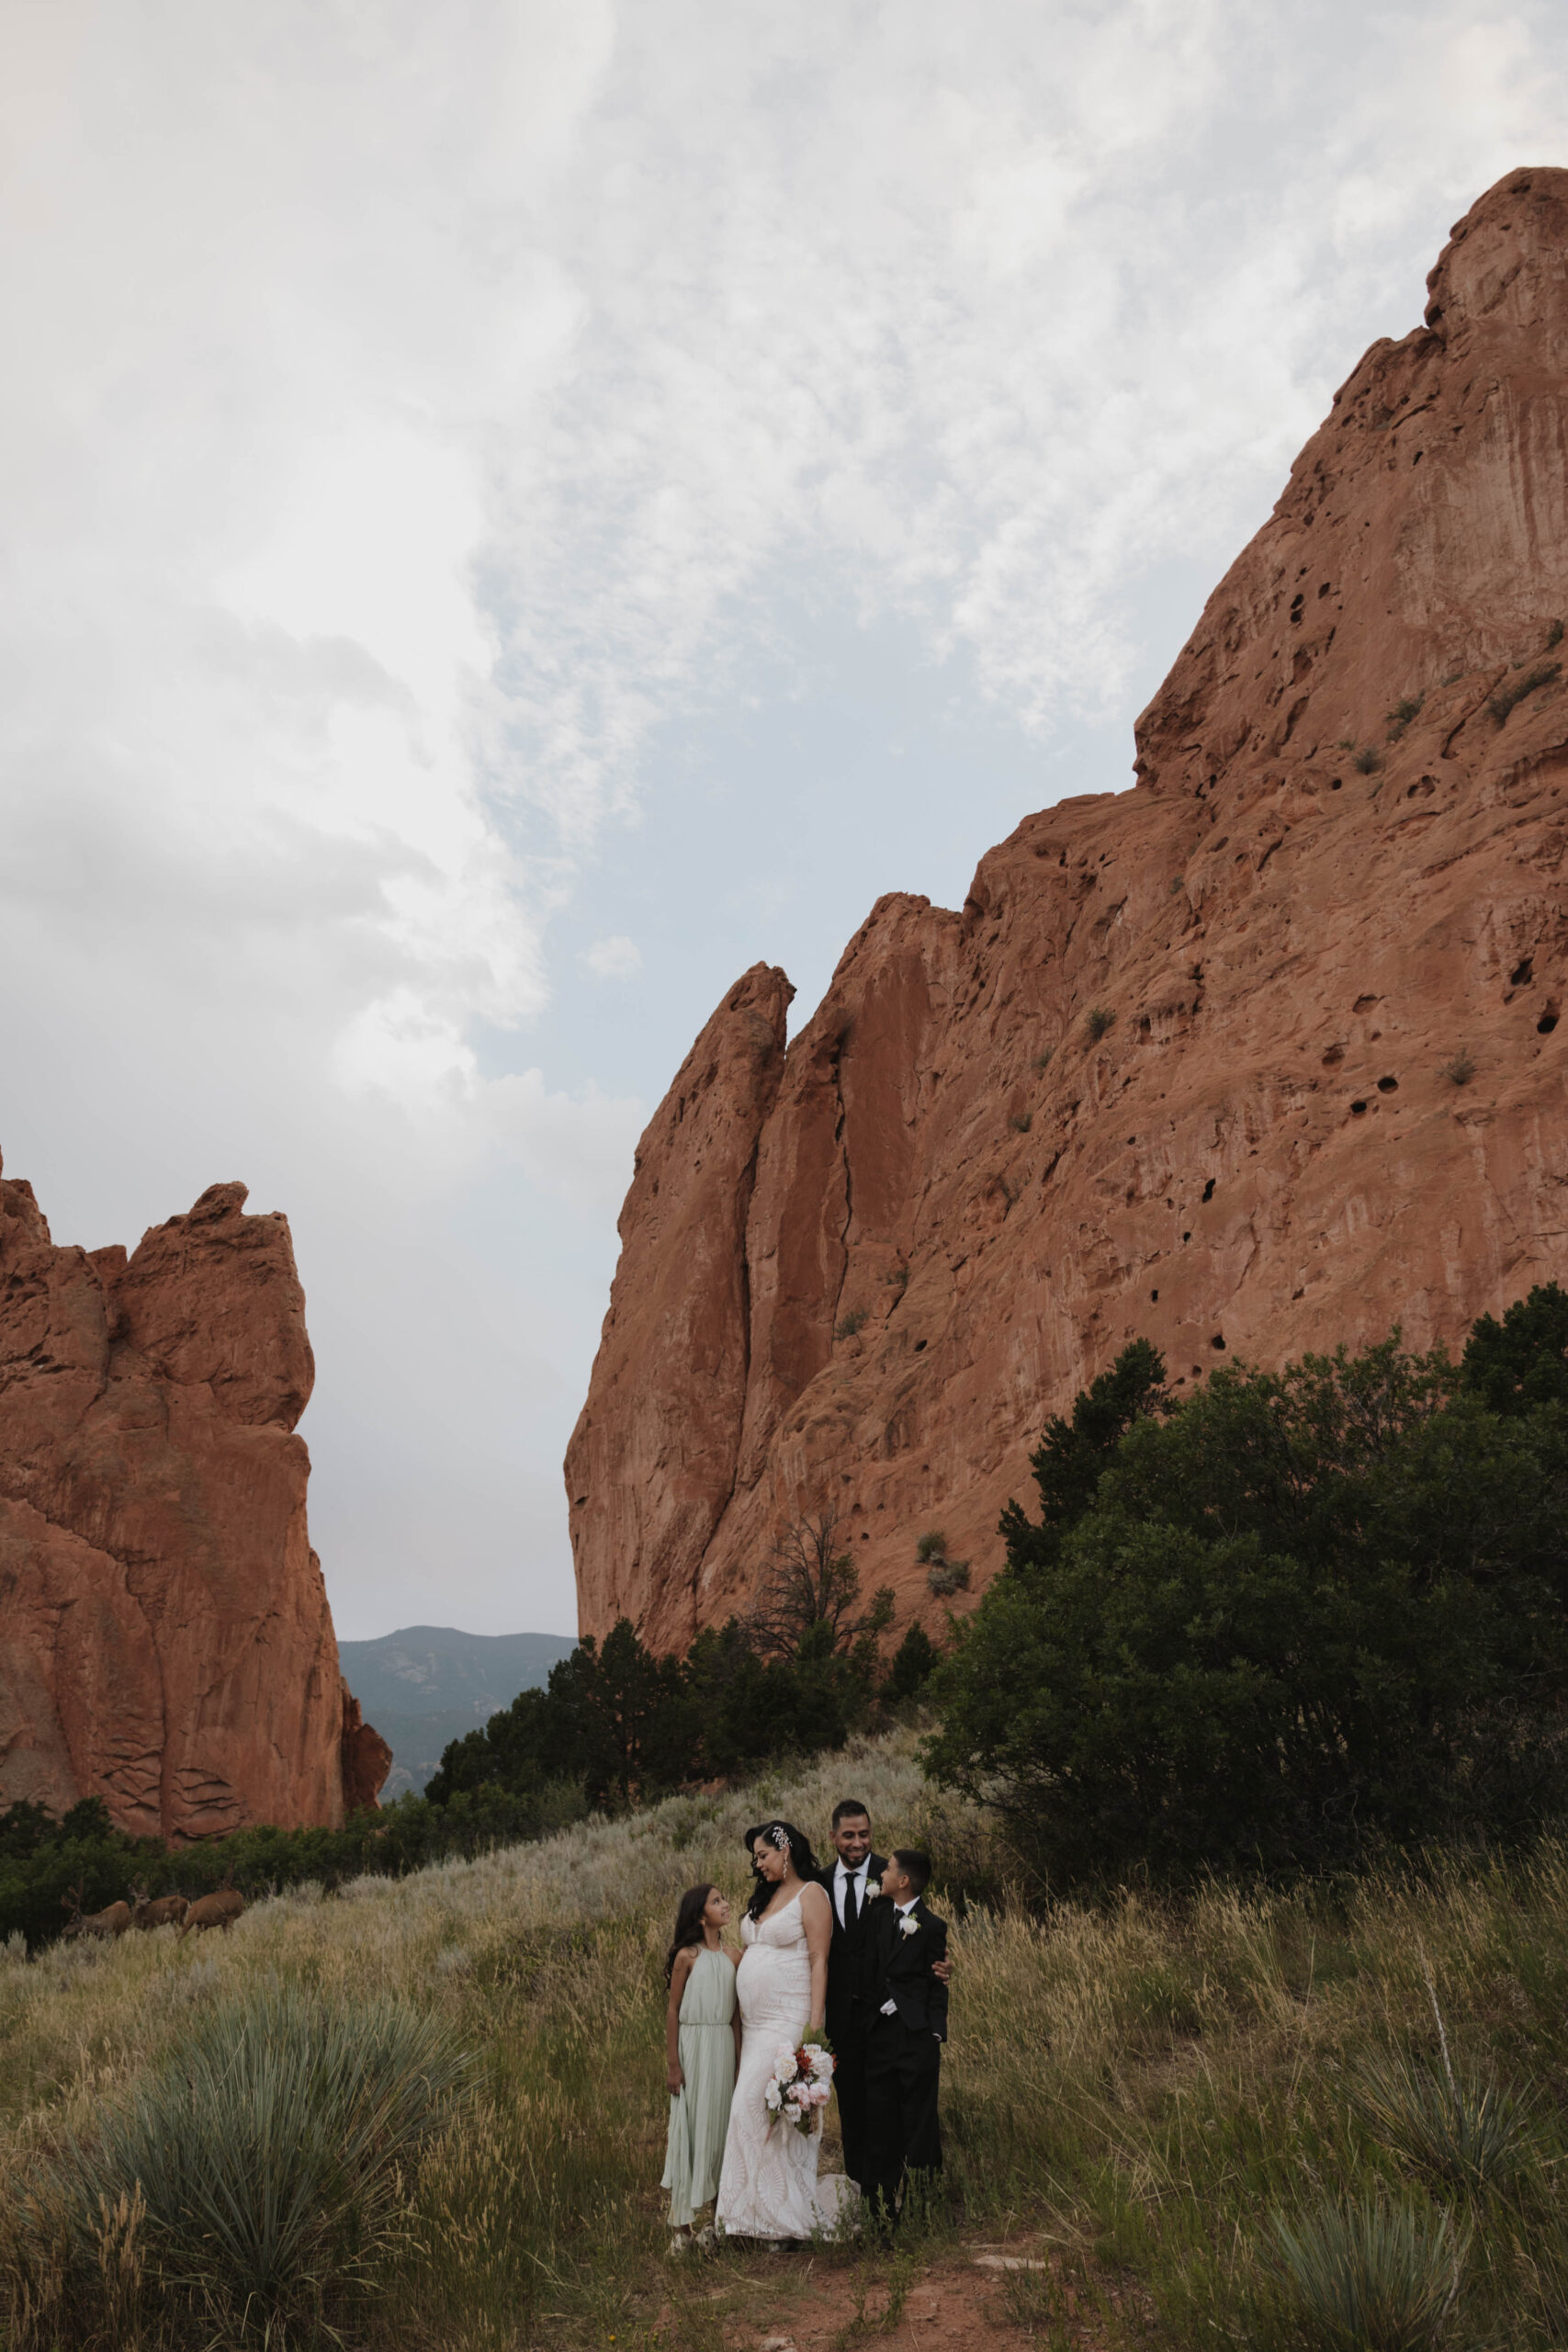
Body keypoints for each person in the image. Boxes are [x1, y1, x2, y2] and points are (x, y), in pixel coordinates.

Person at [715, 1821, 857, 2245]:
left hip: (789, 2020)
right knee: (756, 2116)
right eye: (755, 1858)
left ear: (785, 1850)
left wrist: (815, 2025)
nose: (758, 1865)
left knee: (758, 2110)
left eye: (763, 1855)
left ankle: (777, 2216)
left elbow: (819, 1960)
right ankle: (748, 2218)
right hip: (755, 2026)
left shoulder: (811, 1894)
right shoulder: (766, 1896)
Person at [813, 1801, 953, 2194]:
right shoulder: (817, 1883)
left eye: (865, 1834)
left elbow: (920, 1931)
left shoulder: (890, 1874)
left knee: (891, 2111)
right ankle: (862, 2192)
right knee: (854, 2110)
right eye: (849, 1835)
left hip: (887, 2022)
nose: (858, 1843)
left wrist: (938, 1967)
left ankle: (907, 2192)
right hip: (841, 2017)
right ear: (833, 1837)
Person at [862, 1849, 947, 2233]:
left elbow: (936, 1984)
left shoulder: (931, 1925)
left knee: (920, 2122)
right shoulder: (878, 1914)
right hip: (880, 2037)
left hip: (916, 2038)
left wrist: (935, 2031)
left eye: (889, 1868)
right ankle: (880, 2209)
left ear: (904, 1881)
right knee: (880, 2123)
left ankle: (921, 2210)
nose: (883, 1871)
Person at [661, 1883, 740, 2252]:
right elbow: (673, 2010)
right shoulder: (686, 1957)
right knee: (689, 2129)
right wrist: (673, 2064)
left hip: (722, 2046)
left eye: (724, 1899)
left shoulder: (735, 1956)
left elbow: (738, 2018)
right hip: (693, 2048)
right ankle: (681, 2229)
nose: (725, 1905)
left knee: (719, 2131)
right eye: (717, 1901)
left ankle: (716, 2222)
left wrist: (739, 2062)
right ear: (699, 1915)